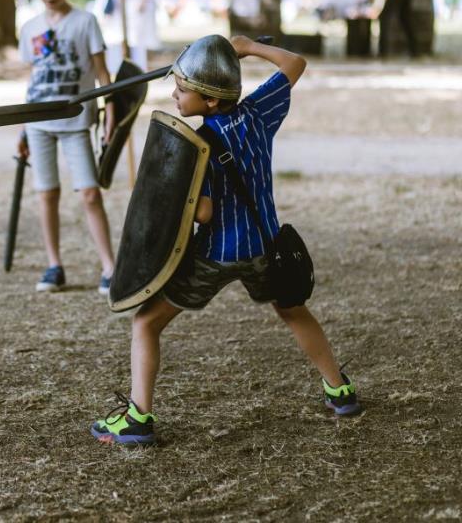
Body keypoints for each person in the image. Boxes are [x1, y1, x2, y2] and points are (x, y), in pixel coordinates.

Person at [91, 35, 363, 446]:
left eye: (183, 90)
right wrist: (250, 46)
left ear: (212, 102)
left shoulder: (196, 146)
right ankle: (339, 391)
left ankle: (137, 418)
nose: (175, 95)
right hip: (265, 247)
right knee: (293, 311)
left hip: (217, 254)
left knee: (146, 322)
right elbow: (295, 63)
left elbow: (203, 213)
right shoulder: (259, 112)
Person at [17, 0, 116, 295]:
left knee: (89, 193)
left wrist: (110, 115)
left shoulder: (85, 22)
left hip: (75, 121)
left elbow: (104, 74)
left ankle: (109, 267)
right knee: (47, 194)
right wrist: (23, 127)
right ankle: (54, 265)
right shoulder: (29, 28)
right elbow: (32, 80)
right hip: (39, 123)